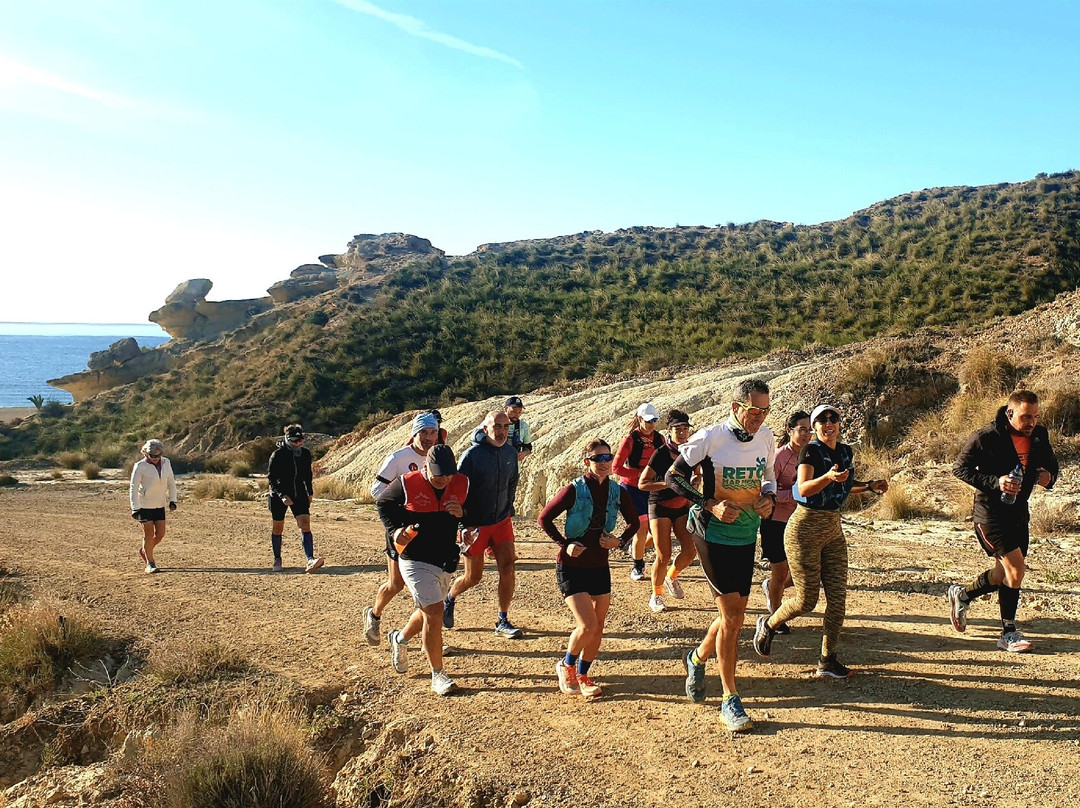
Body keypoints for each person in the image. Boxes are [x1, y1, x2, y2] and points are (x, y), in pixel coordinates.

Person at [666, 379, 777, 732]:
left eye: (766, 411)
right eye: (754, 410)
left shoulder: (766, 437)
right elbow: (673, 477)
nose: (760, 417)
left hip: (746, 533)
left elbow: (769, 477)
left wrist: (769, 499)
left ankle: (696, 657)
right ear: (736, 408)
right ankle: (730, 699)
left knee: (734, 615)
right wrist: (709, 504)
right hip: (711, 534)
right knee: (732, 616)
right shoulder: (711, 437)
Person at [752, 404, 888, 678]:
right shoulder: (810, 451)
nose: (829, 423)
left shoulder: (845, 451)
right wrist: (827, 477)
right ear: (815, 427)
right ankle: (768, 624)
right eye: (822, 420)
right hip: (804, 529)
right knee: (806, 600)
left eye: (833, 418)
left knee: (837, 599)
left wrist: (869, 486)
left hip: (832, 529)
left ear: (839, 423)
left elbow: (844, 483)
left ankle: (827, 659)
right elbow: (802, 488)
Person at [947, 389, 1059, 652]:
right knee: (1016, 570)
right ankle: (1008, 633)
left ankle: (963, 595)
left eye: (1036, 416)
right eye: (1026, 416)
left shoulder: (1039, 435)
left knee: (1002, 574)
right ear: (1010, 413)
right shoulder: (986, 437)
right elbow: (959, 469)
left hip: (1018, 513)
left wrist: (1049, 478)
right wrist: (995, 482)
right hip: (989, 514)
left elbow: (1052, 467)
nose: (1031, 422)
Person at [537, 438, 638, 698]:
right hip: (572, 565)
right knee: (587, 624)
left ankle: (583, 675)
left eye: (607, 458)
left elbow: (634, 523)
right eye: (597, 458)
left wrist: (619, 542)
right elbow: (544, 518)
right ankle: (566, 665)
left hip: (599, 566)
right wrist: (565, 544)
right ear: (587, 462)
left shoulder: (618, 491)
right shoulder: (574, 489)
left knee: (598, 626)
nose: (603, 463)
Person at [376, 445, 471, 696]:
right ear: (425, 467)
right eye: (438, 474)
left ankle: (400, 638)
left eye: (448, 474)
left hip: (445, 558)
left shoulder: (461, 483)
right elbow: (383, 504)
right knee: (435, 611)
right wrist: (396, 530)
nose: (443, 479)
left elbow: (473, 513)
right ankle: (438, 674)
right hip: (414, 558)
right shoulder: (406, 483)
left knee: (427, 610)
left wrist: (463, 514)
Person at [364, 412, 441, 646]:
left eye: (433, 432)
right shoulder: (398, 458)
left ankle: (431, 635)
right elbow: (376, 491)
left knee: (428, 587)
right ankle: (374, 614)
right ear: (414, 434)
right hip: (402, 531)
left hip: (431, 531)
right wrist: (402, 509)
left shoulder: (438, 456)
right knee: (396, 584)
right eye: (423, 432)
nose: (428, 437)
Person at [444, 410, 523, 638]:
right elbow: (457, 490)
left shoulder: (510, 452)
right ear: (485, 429)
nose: (501, 431)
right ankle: (449, 597)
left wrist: (508, 508)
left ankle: (502, 620)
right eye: (496, 426)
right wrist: (462, 525)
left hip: (501, 521)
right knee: (473, 577)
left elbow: (512, 482)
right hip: (475, 524)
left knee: (508, 567)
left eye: (505, 427)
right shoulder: (471, 455)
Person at [636, 409, 697, 613]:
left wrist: (696, 481)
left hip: (681, 506)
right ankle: (656, 595)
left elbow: (697, 473)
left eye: (685, 429)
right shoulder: (661, 453)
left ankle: (672, 577)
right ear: (669, 431)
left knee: (690, 551)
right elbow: (643, 483)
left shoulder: (691, 451)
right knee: (663, 555)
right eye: (677, 429)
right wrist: (668, 483)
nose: (682, 433)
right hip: (660, 506)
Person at [758, 411, 812, 632]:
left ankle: (771, 586)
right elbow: (764, 490)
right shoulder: (780, 456)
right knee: (780, 572)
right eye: (802, 430)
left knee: (805, 571)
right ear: (790, 431)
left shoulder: (812, 455)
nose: (807, 434)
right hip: (776, 522)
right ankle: (776, 617)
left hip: (801, 521)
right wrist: (794, 495)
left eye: (809, 430)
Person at [613, 402, 664, 581]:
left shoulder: (660, 439)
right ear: (639, 419)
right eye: (648, 421)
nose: (652, 424)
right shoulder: (630, 440)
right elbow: (616, 468)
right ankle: (638, 566)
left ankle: (636, 549)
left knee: (656, 529)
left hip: (651, 487)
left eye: (654, 420)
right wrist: (640, 474)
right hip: (631, 488)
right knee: (641, 527)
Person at [267, 424, 323, 573]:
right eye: (295, 441)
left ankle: (310, 559)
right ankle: (277, 559)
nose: (298, 443)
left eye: (301, 440)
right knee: (278, 528)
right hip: (279, 494)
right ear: (287, 439)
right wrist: (281, 495)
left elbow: (307, 475)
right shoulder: (278, 455)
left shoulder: (305, 454)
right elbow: (271, 478)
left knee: (305, 524)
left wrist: (310, 492)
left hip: (299, 493)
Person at [129, 439, 177, 574]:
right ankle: (150, 564)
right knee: (149, 534)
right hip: (144, 505)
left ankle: (145, 550)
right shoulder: (140, 466)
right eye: (152, 455)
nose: (156, 458)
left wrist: (173, 500)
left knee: (160, 534)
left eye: (158, 455)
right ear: (145, 453)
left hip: (160, 504)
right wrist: (135, 508)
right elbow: (133, 488)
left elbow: (171, 482)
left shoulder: (166, 462)